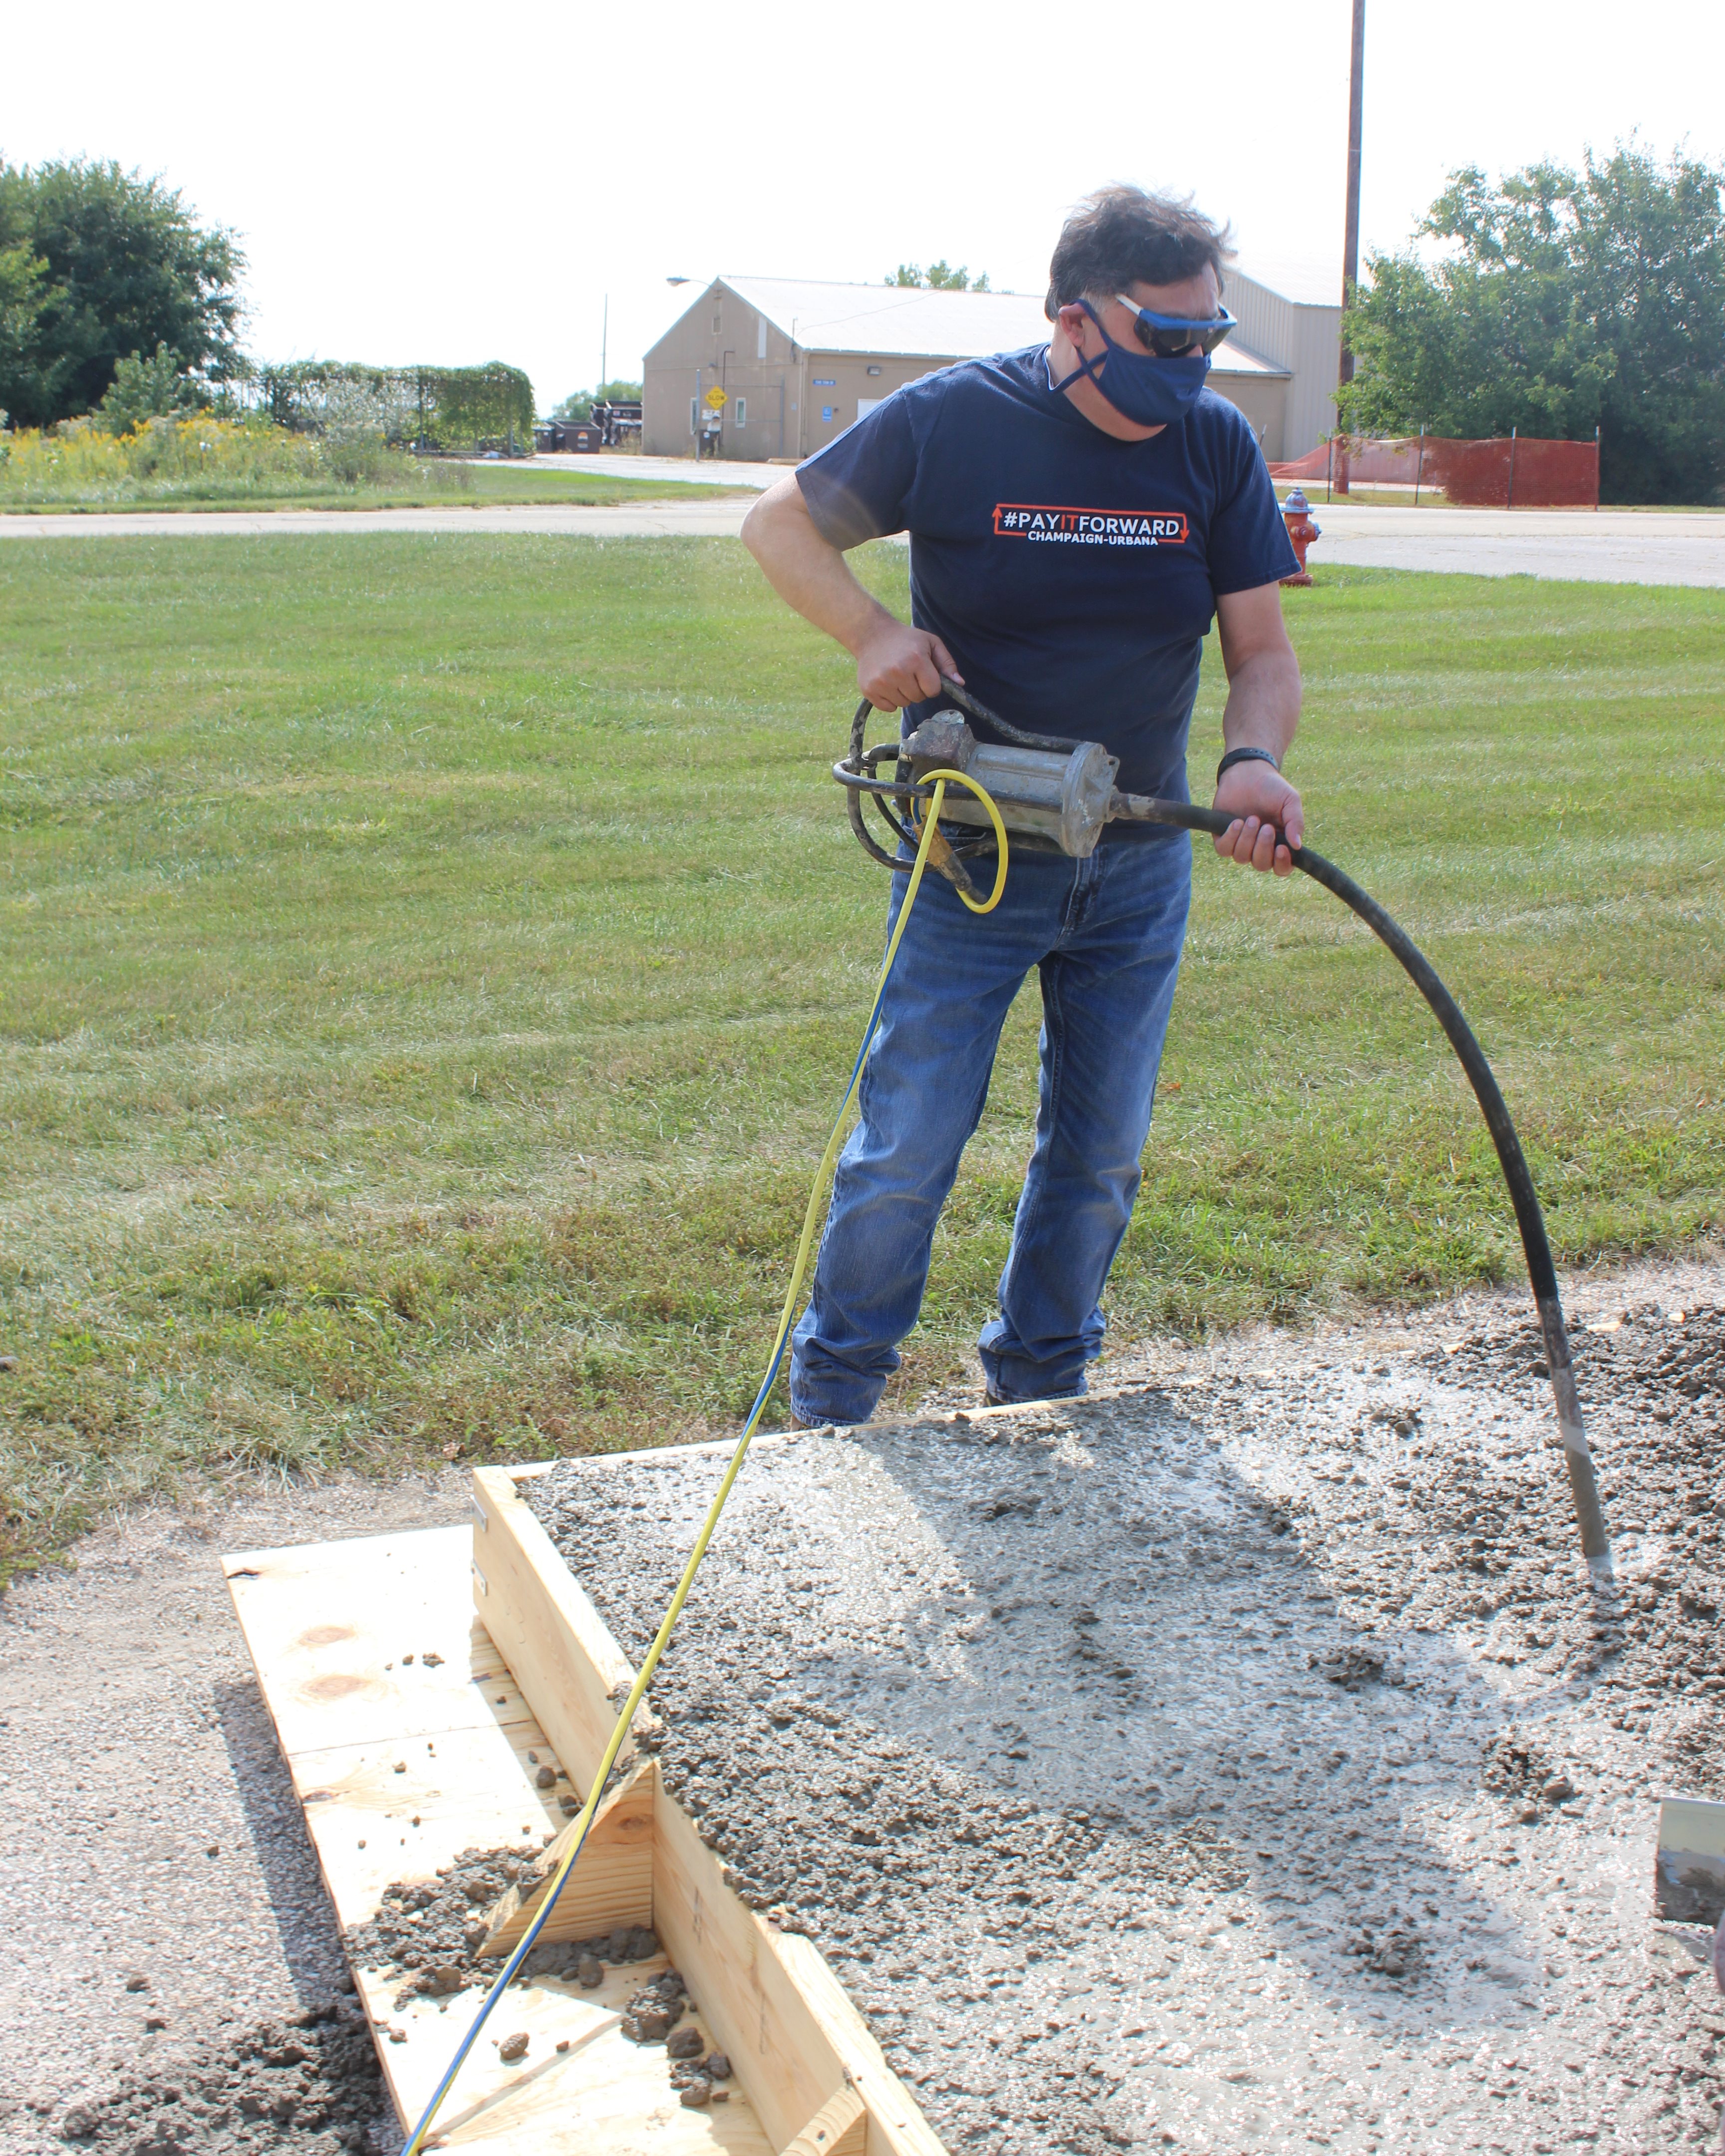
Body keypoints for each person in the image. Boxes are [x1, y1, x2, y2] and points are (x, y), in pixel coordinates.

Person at [741, 185, 1305, 1425]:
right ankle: (835, 1402)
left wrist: (1249, 762)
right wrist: (871, 630)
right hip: (971, 858)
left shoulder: (1212, 448)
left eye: (1207, 338)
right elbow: (776, 523)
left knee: (1099, 1157)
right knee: (908, 1149)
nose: (1191, 364)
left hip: (1140, 859)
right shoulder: (952, 422)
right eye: (1166, 338)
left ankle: (1042, 1385)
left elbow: (1260, 651)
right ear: (1074, 321)